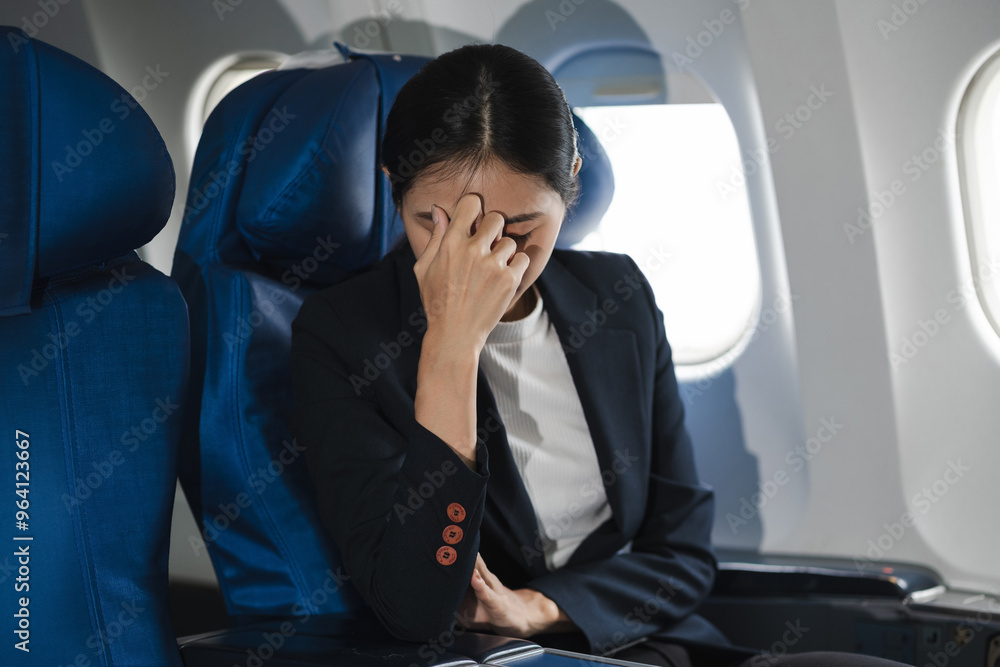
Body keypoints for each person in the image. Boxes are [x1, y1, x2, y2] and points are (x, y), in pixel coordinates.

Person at [289, 43, 908, 667]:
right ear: (394, 189)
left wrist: (542, 606)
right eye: (442, 225)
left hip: (647, 646)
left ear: (573, 182)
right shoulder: (344, 335)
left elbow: (683, 554)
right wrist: (451, 346)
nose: (487, 260)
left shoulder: (617, 295)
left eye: (522, 230)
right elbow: (414, 604)